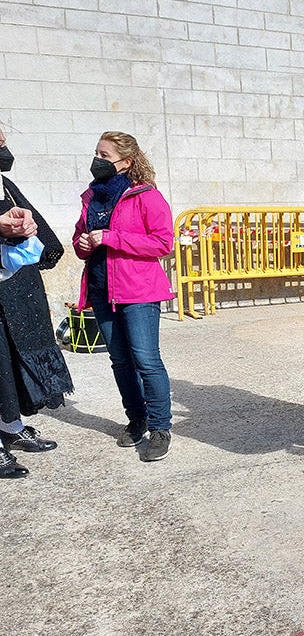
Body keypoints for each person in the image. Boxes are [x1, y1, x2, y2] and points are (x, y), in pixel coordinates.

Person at [72, 131, 175, 462]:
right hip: (102, 291)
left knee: (146, 360)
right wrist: (83, 244)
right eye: (97, 153)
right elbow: (78, 238)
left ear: (126, 162)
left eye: (105, 156)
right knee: (120, 361)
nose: (97, 161)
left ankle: (160, 428)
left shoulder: (146, 196)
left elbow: (163, 243)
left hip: (139, 292)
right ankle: (137, 419)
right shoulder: (92, 197)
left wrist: (112, 238)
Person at [0, 127, 73, 479]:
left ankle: (10, 428)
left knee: (12, 365)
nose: (4, 150)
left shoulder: (3, 184)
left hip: (16, 289)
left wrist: (24, 224)